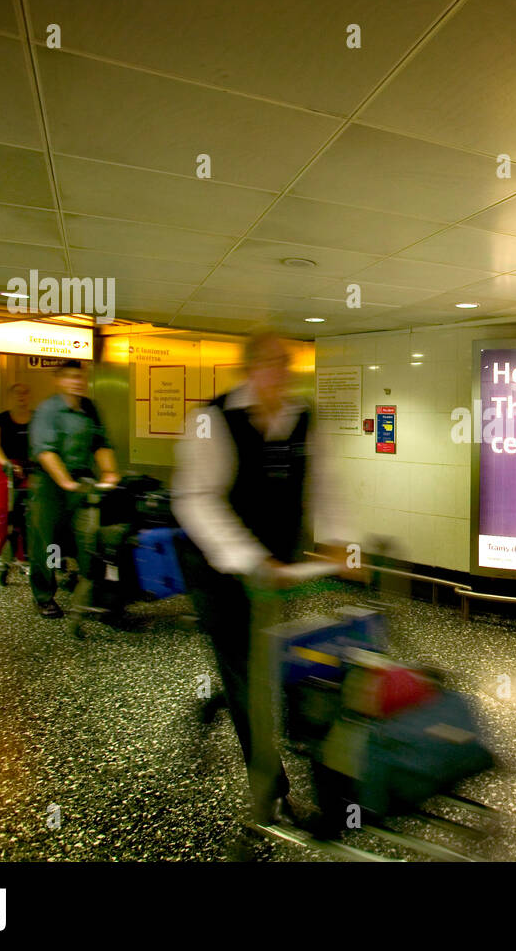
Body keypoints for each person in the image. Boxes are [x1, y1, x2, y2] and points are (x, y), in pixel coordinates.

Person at [172, 329, 334, 834]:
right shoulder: (211, 420)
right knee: (248, 672)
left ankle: (225, 696)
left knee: (263, 660)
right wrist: (249, 560)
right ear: (248, 368)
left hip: (274, 572)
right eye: (269, 363)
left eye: (286, 363)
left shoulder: (304, 417)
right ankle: (271, 797)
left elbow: (328, 484)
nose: (280, 372)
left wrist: (342, 545)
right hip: (217, 570)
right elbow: (196, 498)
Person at [27, 361, 119, 619]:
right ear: (59, 381)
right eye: (69, 377)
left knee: (88, 538)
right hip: (50, 484)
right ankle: (45, 596)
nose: (76, 382)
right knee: (48, 542)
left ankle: (91, 595)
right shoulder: (49, 410)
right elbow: (45, 451)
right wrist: (65, 482)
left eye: (80, 377)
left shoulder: (89, 408)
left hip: (81, 480)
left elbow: (101, 443)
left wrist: (110, 472)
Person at [0, 383, 32, 579]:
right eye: (17, 393)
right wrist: (5, 463)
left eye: (24, 393)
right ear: (10, 397)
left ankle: (22, 558)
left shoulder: (36, 419)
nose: (21, 397)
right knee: (1, 514)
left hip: (31, 469)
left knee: (25, 516)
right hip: (4, 470)